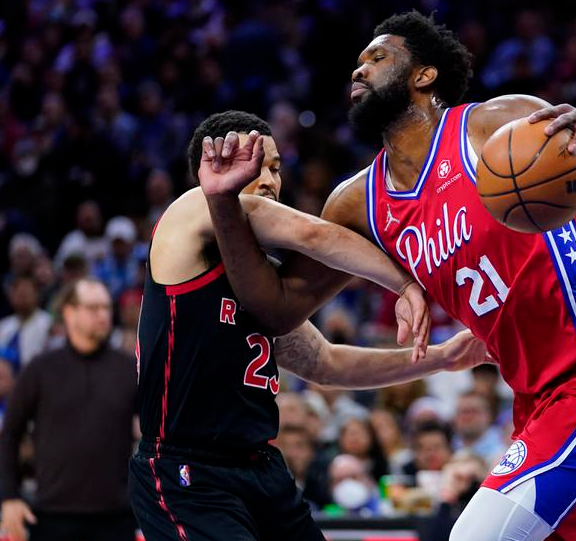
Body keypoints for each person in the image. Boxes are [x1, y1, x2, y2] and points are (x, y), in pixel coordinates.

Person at [205, 12, 576, 541]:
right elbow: (277, 307)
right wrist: (222, 209)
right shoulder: (356, 203)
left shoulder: (497, 126)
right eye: (357, 63)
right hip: (539, 402)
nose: (358, 71)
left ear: (423, 75)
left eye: (377, 57)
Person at [129, 110, 490, 541]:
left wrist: (440, 359)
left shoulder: (260, 282)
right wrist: (404, 282)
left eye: (276, 168)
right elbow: (314, 236)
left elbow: (325, 362)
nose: (269, 181)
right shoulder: (188, 212)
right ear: (215, 168)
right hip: (188, 471)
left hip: (261, 467)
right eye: (253, 164)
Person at [0, 278, 138, 541]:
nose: (103, 315)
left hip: (117, 517)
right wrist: (9, 497)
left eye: (107, 308)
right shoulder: (40, 370)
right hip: (52, 516)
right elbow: (9, 434)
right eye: (94, 307)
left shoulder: (127, 369)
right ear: (69, 313)